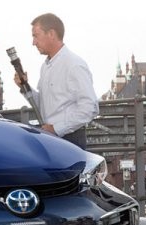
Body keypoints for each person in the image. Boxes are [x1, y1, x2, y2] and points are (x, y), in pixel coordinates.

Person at [13, 13, 98, 146]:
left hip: (70, 139)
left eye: (36, 36)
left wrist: (56, 129)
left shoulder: (74, 64)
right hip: (52, 137)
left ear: (51, 34)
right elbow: (44, 105)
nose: (33, 42)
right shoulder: (45, 66)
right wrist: (24, 86)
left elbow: (90, 107)